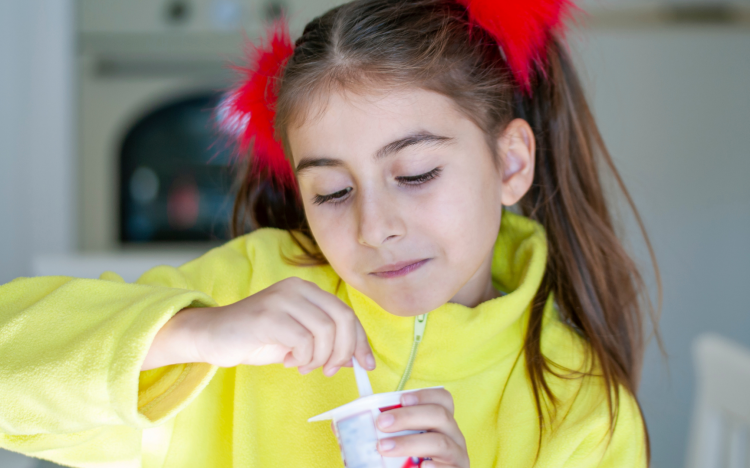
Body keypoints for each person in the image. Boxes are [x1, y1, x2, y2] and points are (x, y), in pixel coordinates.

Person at [0, 0, 662, 466]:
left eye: (416, 174)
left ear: (511, 164)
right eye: (333, 192)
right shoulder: (249, 287)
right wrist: (194, 334)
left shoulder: (581, 408)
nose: (375, 228)